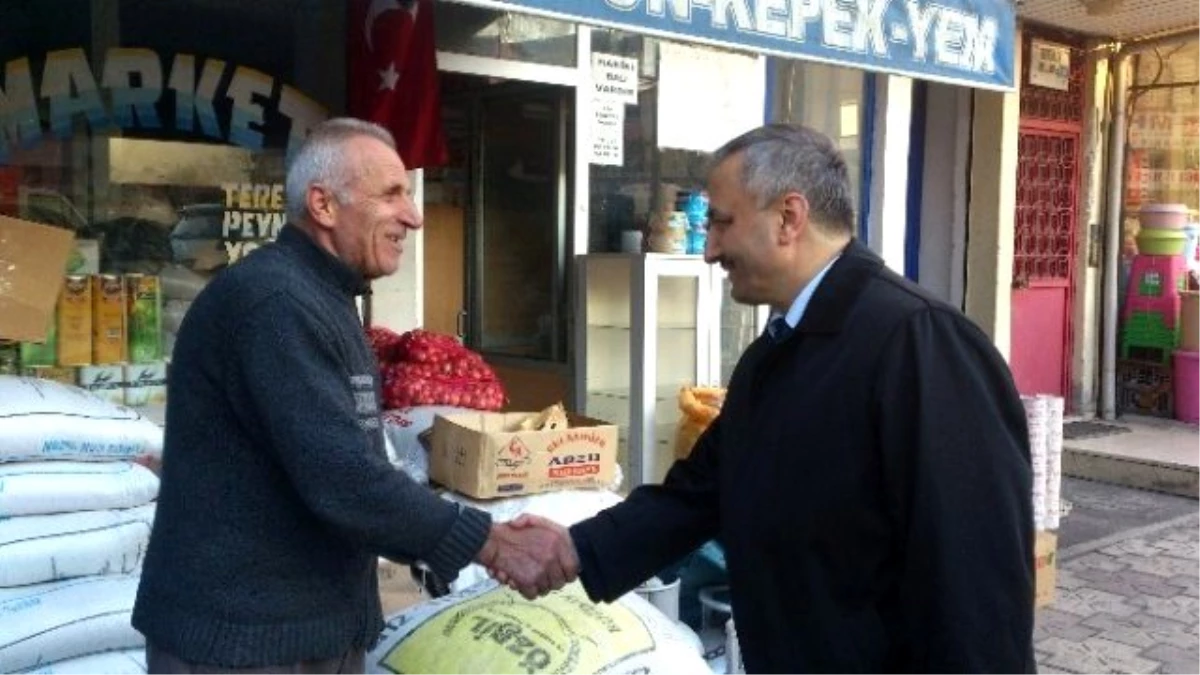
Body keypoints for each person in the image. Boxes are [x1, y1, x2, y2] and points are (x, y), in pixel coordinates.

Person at [505, 124, 1036, 673]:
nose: (709, 249)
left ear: (789, 218)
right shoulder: (774, 354)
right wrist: (577, 550)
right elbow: (700, 493)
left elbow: (977, 587)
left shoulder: (920, 343)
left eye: (722, 222)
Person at [133, 118, 575, 674]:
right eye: (392, 194)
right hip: (245, 643)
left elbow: (348, 467)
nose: (413, 216)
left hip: (305, 633)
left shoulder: (321, 297)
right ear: (323, 205)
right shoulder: (274, 303)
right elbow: (343, 478)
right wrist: (488, 542)